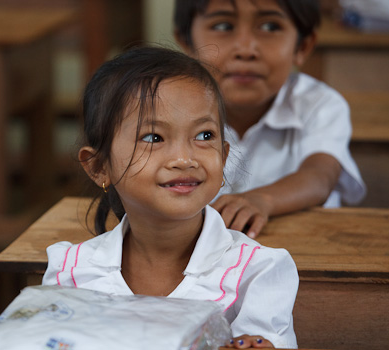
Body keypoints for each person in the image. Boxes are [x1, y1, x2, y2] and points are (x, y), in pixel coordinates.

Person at [42, 46, 299, 349]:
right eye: (153, 138)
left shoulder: (256, 270)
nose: (184, 158)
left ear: (224, 154)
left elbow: (266, 340)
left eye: (204, 136)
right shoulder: (71, 271)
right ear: (99, 167)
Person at [174, 0, 366, 238]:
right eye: (223, 26)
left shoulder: (319, 104)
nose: (245, 49)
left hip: (304, 251)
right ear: (186, 43)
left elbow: (320, 176)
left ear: (303, 47)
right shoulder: (171, 109)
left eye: (270, 27)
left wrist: (262, 200)